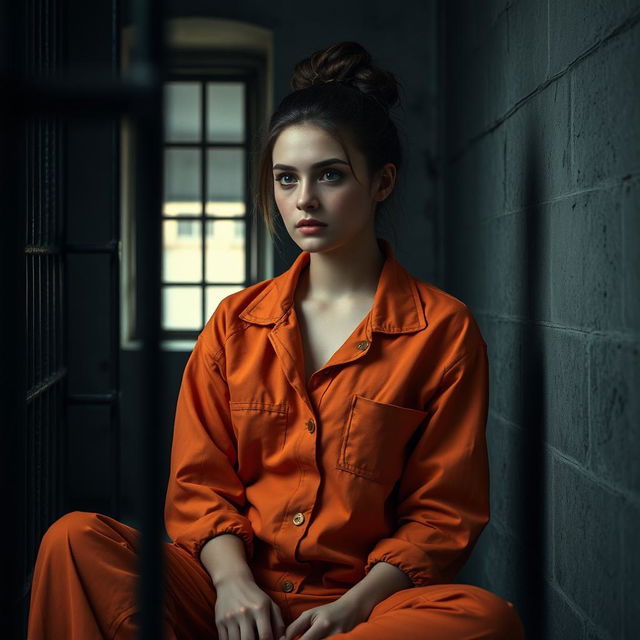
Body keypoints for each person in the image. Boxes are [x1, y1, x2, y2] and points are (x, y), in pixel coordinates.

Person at [27, 41, 525, 639]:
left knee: (486, 621)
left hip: (362, 610)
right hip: (231, 593)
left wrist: (352, 608)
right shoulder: (234, 325)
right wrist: (233, 586)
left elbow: (441, 516)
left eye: (331, 175)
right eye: (286, 179)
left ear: (382, 182)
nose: (303, 200)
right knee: (73, 541)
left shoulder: (442, 331)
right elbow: (198, 486)